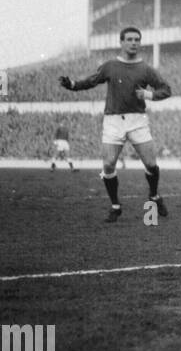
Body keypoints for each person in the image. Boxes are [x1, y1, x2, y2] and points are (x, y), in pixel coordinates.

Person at [59, 26, 172, 222]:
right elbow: (92, 81)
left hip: (137, 120)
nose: (133, 43)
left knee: (151, 164)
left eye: (137, 39)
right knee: (108, 164)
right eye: (129, 39)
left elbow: (166, 89)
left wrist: (149, 94)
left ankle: (154, 196)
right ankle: (115, 205)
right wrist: (73, 85)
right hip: (113, 121)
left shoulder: (145, 69)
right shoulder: (110, 66)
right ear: (121, 42)